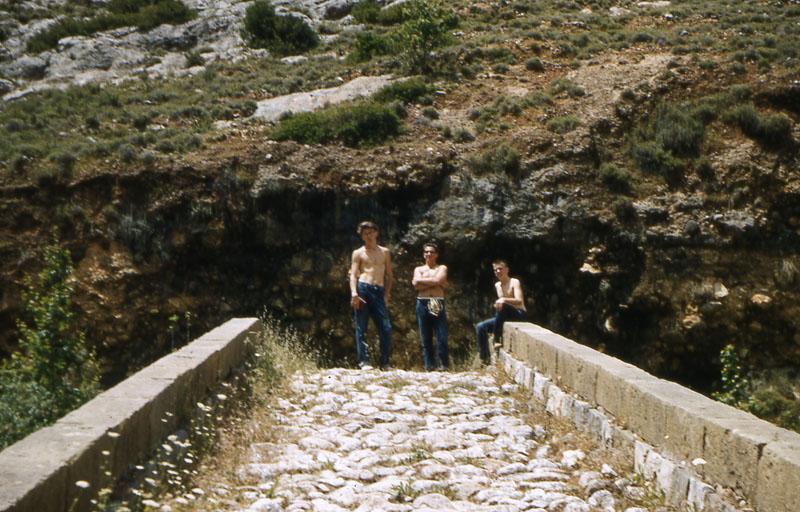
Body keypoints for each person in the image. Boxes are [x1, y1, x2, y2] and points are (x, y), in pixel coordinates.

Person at [349, 221, 392, 370]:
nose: (368, 235)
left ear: (376, 233)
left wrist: (386, 294)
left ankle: (385, 362)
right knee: (361, 326)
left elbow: (390, 276)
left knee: (386, 327)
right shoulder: (358, 253)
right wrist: (354, 293)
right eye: (365, 233)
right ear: (362, 236)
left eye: (371, 232)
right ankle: (364, 361)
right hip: (363, 288)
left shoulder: (385, 252)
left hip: (378, 290)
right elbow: (353, 274)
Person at [475, 259, 526, 364]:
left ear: (507, 270)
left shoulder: (514, 282)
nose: (498, 271)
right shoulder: (497, 285)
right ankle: (484, 359)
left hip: (518, 313)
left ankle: (497, 338)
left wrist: (504, 300)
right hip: (504, 316)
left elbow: (519, 301)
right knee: (480, 327)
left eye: (500, 269)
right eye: (495, 270)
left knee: (503, 305)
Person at [412, 242, 449, 371]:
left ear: (436, 255)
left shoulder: (441, 268)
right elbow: (416, 285)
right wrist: (434, 282)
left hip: (435, 300)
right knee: (425, 336)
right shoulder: (418, 269)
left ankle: (443, 365)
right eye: (426, 252)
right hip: (422, 301)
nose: (429, 254)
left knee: (441, 335)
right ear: (423, 254)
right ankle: (429, 366)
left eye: (431, 252)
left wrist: (424, 281)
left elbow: (438, 280)